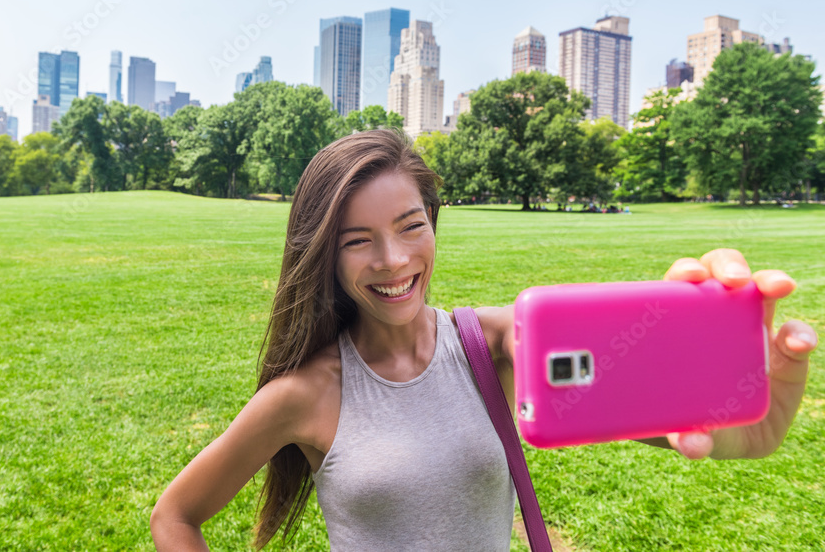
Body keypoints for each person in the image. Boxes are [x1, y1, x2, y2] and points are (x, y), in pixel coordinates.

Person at [150, 129, 818, 551]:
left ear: (434, 223)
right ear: (325, 254)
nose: (392, 259)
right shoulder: (304, 393)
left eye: (411, 225)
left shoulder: (500, 343)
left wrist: (740, 419)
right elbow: (176, 514)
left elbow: (674, 424)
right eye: (358, 240)